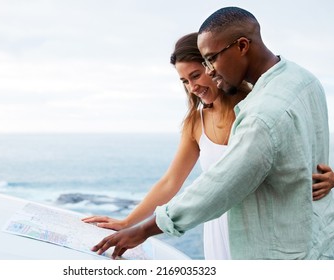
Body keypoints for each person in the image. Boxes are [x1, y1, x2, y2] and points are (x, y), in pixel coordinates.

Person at [87, 24, 334, 259]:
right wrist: (128, 221)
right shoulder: (196, 122)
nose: (192, 87)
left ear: (212, 65)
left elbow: (306, 144)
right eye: (184, 81)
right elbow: (171, 181)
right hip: (216, 227)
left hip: (258, 231)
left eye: (196, 75)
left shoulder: (258, 109)